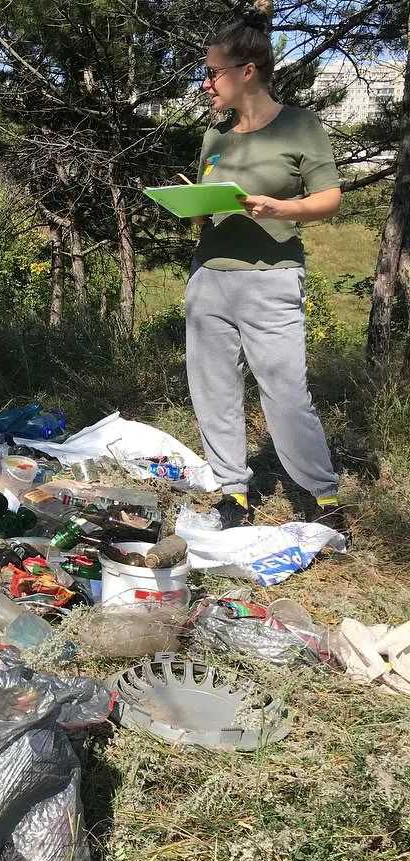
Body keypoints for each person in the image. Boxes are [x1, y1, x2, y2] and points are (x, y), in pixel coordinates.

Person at [186, 1, 348, 537]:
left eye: (212, 73)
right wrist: (195, 206)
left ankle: (321, 495)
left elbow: (329, 198)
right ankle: (232, 489)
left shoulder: (302, 126)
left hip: (272, 275)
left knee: (286, 390)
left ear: (247, 72)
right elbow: (208, 204)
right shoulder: (215, 139)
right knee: (213, 388)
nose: (206, 84)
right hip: (210, 275)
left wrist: (281, 208)